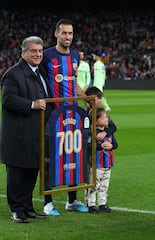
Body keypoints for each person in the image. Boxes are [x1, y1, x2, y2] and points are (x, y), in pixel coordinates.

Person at [0, 36, 51, 223]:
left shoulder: (41, 72)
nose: (38, 54)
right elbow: (8, 100)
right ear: (23, 52)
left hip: (36, 135)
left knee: (31, 172)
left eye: (40, 51)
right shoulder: (13, 74)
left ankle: (27, 207)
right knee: (17, 175)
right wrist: (32, 104)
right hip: (17, 136)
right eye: (33, 51)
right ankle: (16, 210)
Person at [40, 18, 88, 216]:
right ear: (56, 34)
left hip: (74, 114)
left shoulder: (76, 56)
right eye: (64, 33)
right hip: (53, 115)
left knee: (74, 155)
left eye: (70, 33)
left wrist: (86, 99)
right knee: (51, 158)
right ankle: (48, 202)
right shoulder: (47, 56)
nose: (68, 37)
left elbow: (73, 82)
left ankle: (72, 200)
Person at [84, 86, 117, 210]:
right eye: (99, 98)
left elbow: (113, 127)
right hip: (92, 158)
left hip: (105, 161)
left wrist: (105, 132)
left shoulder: (101, 113)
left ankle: (102, 203)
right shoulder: (86, 114)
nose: (100, 101)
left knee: (103, 183)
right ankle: (90, 203)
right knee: (93, 182)